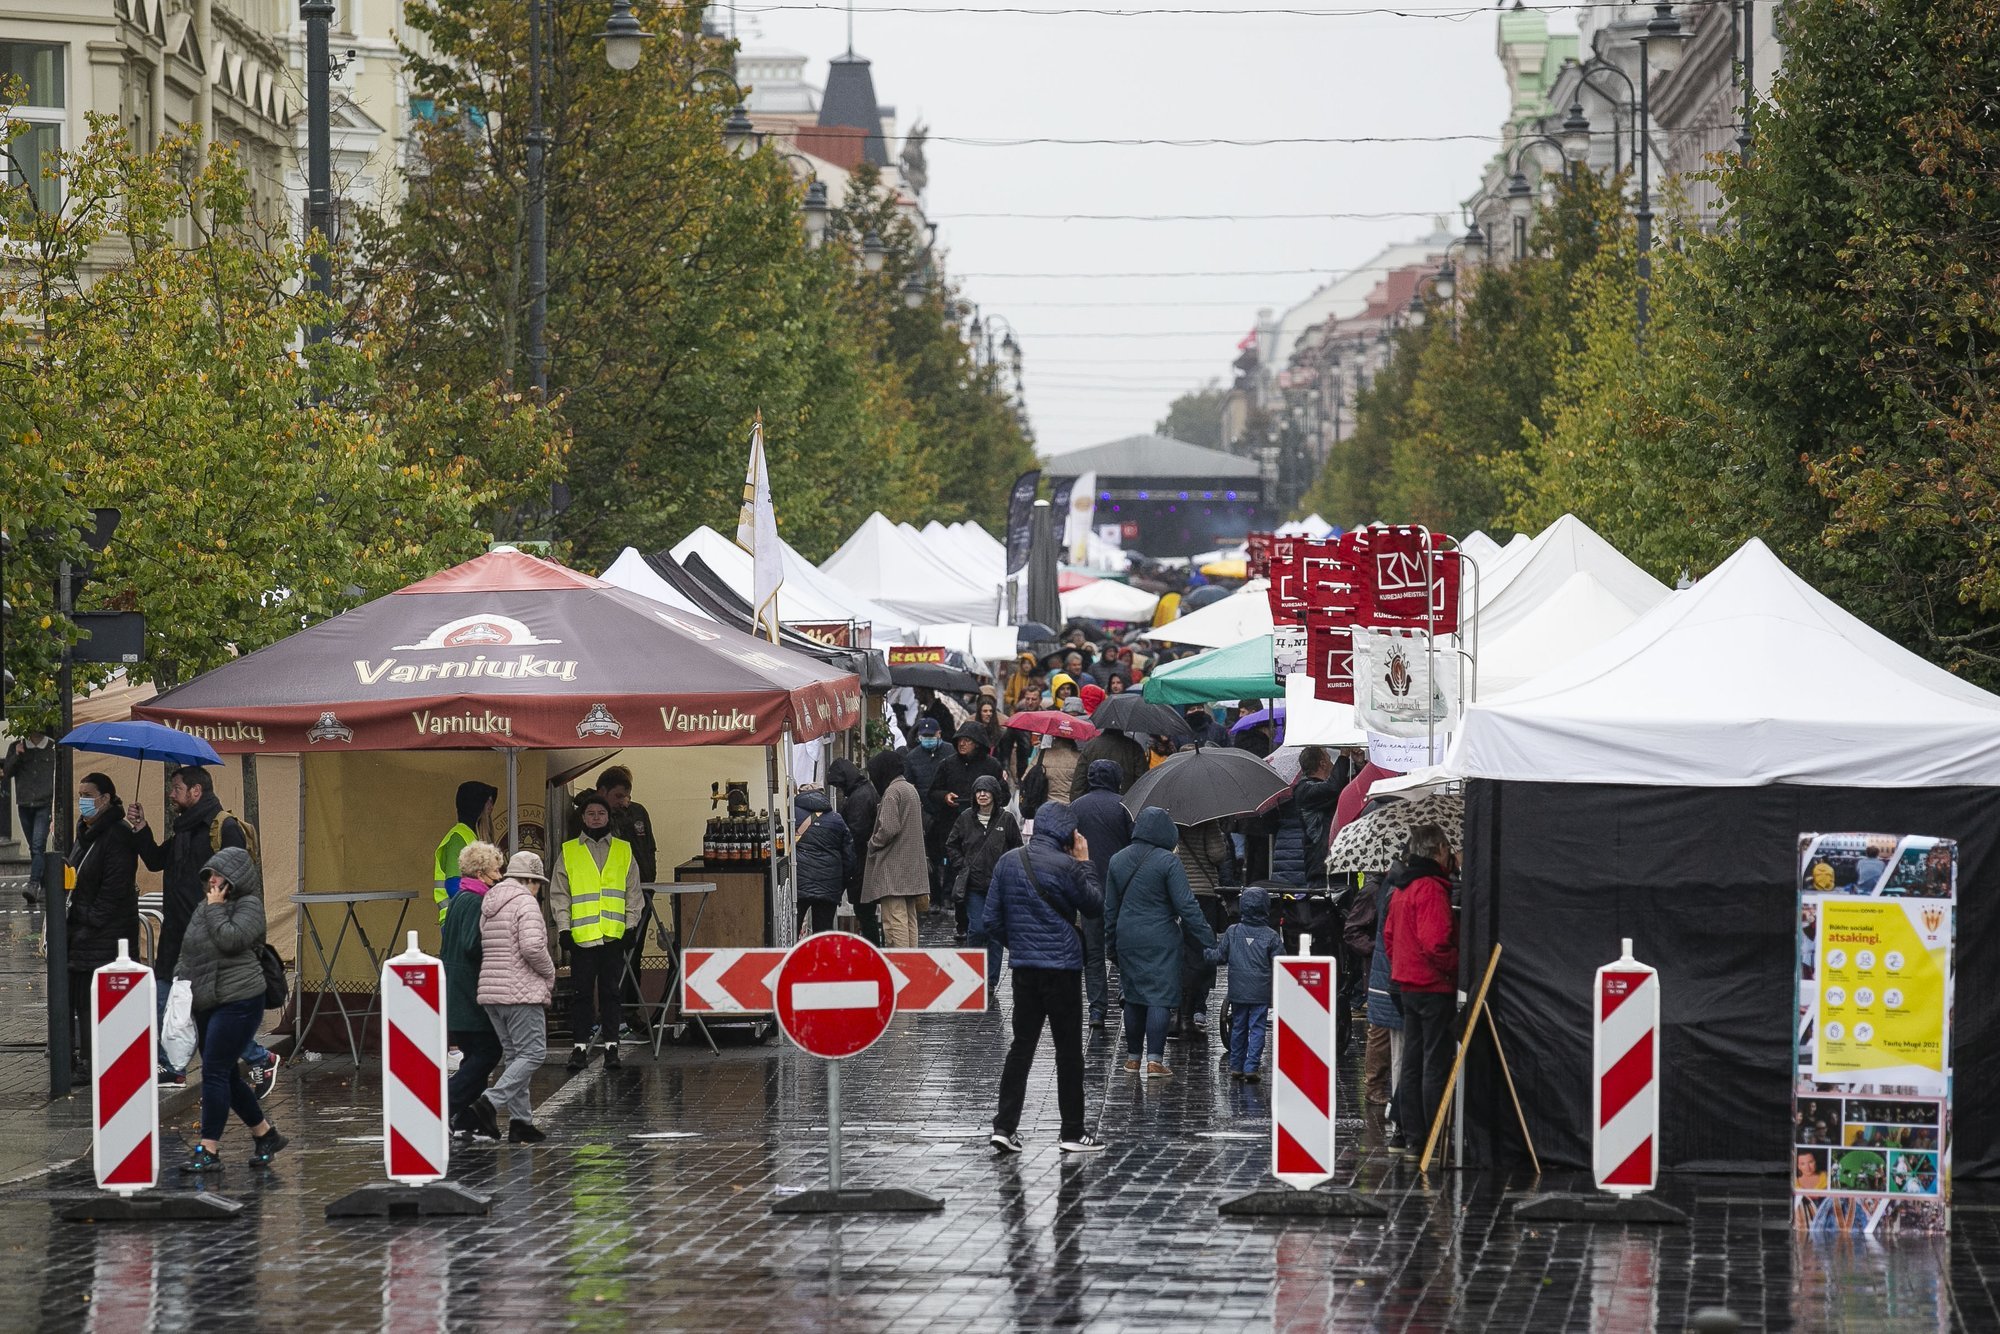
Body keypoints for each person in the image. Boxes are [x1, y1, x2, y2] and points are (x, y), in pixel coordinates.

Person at [131, 766, 276, 1091]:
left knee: (207, 1016)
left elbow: (237, 883)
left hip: (206, 941)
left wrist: (219, 923)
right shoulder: (184, 830)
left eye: (177, 788)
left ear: (196, 791)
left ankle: (260, 1058)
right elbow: (156, 860)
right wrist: (140, 827)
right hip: (175, 938)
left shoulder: (222, 829)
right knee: (167, 1004)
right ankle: (172, 1066)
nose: (172, 794)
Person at [985, 801, 1106, 1155]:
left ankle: (1005, 1126)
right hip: (1063, 970)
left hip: (1024, 969)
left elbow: (991, 920)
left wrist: (1018, 943)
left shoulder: (1008, 862)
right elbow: (1094, 905)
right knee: (1068, 1052)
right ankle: (1072, 1131)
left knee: (1021, 1047)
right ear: (1068, 833)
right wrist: (1086, 862)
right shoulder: (1068, 866)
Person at [176, 847, 287, 1172]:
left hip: (240, 1000)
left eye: (218, 876)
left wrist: (213, 909)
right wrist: (182, 981)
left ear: (235, 878)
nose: (211, 881)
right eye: (209, 875)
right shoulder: (204, 907)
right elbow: (190, 948)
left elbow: (231, 939)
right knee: (223, 1072)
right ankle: (265, 1134)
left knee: (212, 1071)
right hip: (207, 1000)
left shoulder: (249, 906)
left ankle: (209, 1150)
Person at [1104, 806, 1213, 1077]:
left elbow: (1110, 909)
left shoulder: (1117, 860)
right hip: (1161, 938)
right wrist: (1208, 938)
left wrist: (1111, 943)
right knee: (1159, 999)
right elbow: (1186, 906)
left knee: (1132, 996)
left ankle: (1132, 1059)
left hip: (1127, 936)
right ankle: (1154, 1060)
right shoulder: (1168, 862)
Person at [1382, 824, 1459, 1154]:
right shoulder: (1430, 888)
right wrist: (1459, 967)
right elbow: (1436, 943)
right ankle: (1431, 1135)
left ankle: (1412, 1135)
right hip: (1432, 986)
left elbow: (1388, 937)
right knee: (1434, 1062)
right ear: (1439, 850)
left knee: (1413, 1062)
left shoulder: (1401, 887)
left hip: (1407, 984)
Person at [550, 791, 638, 1070]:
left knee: (612, 993)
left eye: (601, 813)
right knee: (582, 995)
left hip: (613, 935)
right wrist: (564, 929)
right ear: (583, 818)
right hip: (582, 937)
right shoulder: (569, 851)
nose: (596, 818)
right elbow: (559, 894)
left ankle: (612, 1047)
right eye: (591, 814)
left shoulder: (624, 850)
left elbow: (632, 891)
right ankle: (579, 1048)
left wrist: (631, 925)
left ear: (609, 817)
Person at [65, 771, 141, 1079]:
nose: (82, 801)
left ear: (105, 799)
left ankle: (94, 1060)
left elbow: (113, 890)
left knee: (92, 1000)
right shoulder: (85, 831)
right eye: (79, 795)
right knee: (77, 995)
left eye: (88, 795)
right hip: (83, 930)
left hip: (106, 932)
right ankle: (80, 1058)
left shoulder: (118, 835)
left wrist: (85, 915)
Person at [478, 851, 556, 1142]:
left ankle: (521, 1122)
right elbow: (533, 947)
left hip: (492, 991)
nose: (538, 889)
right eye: (537, 883)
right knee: (534, 1053)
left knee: (515, 1057)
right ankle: (489, 1102)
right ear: (530, 880)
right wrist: (549, 974)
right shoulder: (525, 902)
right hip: (521, 992)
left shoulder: (491, 903)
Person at [443, 841, 504, 1140]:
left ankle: (467, 1119)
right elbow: (473, 945)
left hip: (456, 989)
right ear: (482, 873)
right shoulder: (476, 902)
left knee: (474, 1053)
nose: (500, 874)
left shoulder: (458, 898)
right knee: (489, 1050)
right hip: (469, 990)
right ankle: (447, 1102)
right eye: (496, 869)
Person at [1067, 759, 1132, 1029]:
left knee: (1093, 953)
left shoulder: (1075, 808)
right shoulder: (1125, 806)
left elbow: (1066, 848)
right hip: (1121, 890)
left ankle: (1097, 1010)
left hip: (1088, 889)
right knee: (1124, 949)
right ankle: (1126, 991)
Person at [946, 776, 1019, 990]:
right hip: (974, 886)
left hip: (998, 887)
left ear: (995, 794)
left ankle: (991, 981)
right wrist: (962, 865)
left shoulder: (1006, 820)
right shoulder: (965, 818)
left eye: (987, 791)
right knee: (977, 929)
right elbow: (952, 844)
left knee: (995, 933)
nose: (982, 794)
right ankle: (972, 974)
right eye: (978, 791)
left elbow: (1017, 847)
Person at [1206, 886, 1283, 1082]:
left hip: (1237, 991)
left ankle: (1236, 1065)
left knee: (1239, 1026)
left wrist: (1205, 953)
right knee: (1257, 1027)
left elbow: (1220, 956)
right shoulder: (1271, 936)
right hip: (1260, 992)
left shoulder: (1233, 932)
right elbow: (1281, 962)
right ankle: (1251, 1066)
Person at [1173, 817, 1233, 1032]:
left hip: (1177, 890)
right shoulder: (1208, 820)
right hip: (1204, 892)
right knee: (1204, 948)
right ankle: (1198, 1007)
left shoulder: (1171, 818)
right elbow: (1217, 854)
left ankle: (1178, 1004)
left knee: (1180, 949)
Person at [865, 749, 929, 948]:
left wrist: (872, 843)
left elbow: (889, 828)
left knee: (894, 919)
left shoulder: (892, 792)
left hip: (893, 868)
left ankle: (900, 962)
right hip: (910, 866)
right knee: (909, 918)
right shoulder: (910, 788)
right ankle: (912, 960)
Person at [1363, 869, 1403, 1127]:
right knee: (1381, 1032)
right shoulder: (1390, 890)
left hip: (1386, 967)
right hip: (1387, 969)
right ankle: (1374, 1087)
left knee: (1383, 1031)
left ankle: (1375, 1086)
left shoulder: (1388, 887)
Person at [829, 757, 882, 945]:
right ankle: (873, 946)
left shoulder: (859, 797)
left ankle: (873, 949)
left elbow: (856, 833)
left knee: (864, 911)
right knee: (866, 912)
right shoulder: (864, 791)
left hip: (861, 863)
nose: (839, 790)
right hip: (864, 861)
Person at [793, 788, 856, 936]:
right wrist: (842, 883)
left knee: (793, 930)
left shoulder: (792, 815)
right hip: (829, 883)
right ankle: (822, 958)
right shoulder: (837, 819)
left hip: (799, 881)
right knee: (823, 933)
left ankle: (795, 958)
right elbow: (849, 856)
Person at [1, 730, 55, 901]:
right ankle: (45, 885)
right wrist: (17, 754)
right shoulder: (17, 746)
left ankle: (33, 884)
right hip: (24, 804)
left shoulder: (52, 747)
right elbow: (7, 773)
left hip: (44, 804)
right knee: (34, 848)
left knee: (38, 845)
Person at [433, 781, 497, 922]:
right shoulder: (459, 838)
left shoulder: (469, 836)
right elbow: (454, 886)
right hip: (458, 922)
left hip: (465, 920)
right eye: (489, 802)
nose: (492, 807)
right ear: (477, 806)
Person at [903, 719, 949, 895]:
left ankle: (948, 894)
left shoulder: (949, 752)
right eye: (925, 736)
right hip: (926, 816)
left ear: (939, 735)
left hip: (947, 813)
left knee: (950, 856)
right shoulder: (912, 758)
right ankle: (935, 894)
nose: (928, 739)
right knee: (930, 857)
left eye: (931, 736)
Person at [1020, 734, 1083, 812]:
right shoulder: (1079, 757)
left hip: (1045, 807)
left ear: (1055, 737)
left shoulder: (1043, 754)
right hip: (1070, 808)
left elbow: (1025, 778)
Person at [1078, 725, 1146, 793]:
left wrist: (1077, 800)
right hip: (1124, 798)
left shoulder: (1090, 746)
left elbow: (1080, 778)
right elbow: (1142, 779)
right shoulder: (1134, 747)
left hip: (1093, 798)